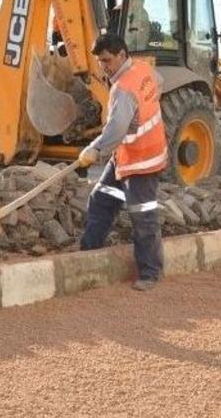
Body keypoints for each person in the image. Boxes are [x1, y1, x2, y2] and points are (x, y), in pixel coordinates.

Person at [78, 33, 167, 291]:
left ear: (122, 55)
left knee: (143, 216)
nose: (103, 67)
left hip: (143, 161)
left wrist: (94, 149)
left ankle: (150, 273)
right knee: (101, 197)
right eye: (100, 62)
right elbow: (158, 84)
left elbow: (116, 129)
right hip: (126, 157)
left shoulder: (123, 89)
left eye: (107, 60)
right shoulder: (143, 68)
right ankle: (88, 251)